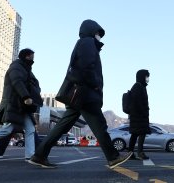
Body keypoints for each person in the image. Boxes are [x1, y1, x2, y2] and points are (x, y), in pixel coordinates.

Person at [28, 19, 132, 169]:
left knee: (62, 126)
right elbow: (86, 66)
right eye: (98, 33)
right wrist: (95, 84)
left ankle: (39, 155)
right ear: (91, 31)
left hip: (80, 94)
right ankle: (113, 157)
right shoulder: (87, 42)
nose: (99, 37)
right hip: (86, 94)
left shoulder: (85, 43)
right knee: (99, 125)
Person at [127, 69, 151, 160]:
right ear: (142, 77)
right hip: (139, 115)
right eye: (146, 76)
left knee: (135, 134)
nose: (147, 79)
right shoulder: (138, 86)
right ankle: (140, 153)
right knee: (141, 133)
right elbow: (137, 101)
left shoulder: (139, 86)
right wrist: (144, 112)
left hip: (136, 115)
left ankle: (130, 153)